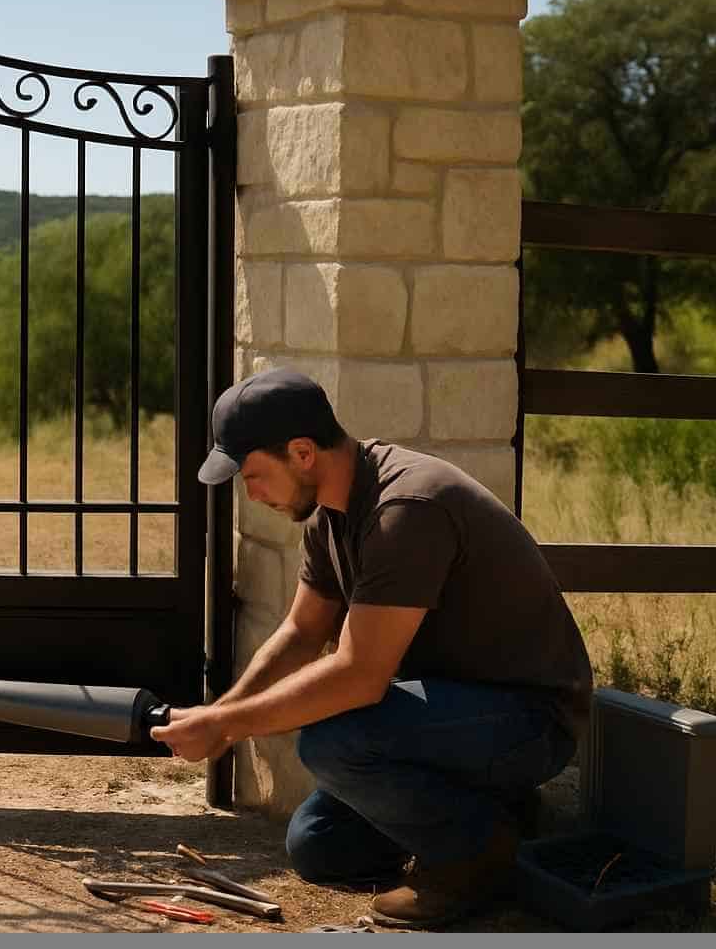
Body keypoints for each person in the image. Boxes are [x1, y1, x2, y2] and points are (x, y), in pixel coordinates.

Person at [149, 367, 592, 929]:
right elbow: (301, 635)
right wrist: (219, 715)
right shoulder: (330, 514)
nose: (251, 493)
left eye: (254, 475)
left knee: (334, 742)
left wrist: (229, 726)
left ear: (302, 452)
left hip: (530, 719)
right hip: (446, 716)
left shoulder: (406, 508)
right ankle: (499, 816)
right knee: (318, 845)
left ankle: (474, 860)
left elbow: (359, 676)